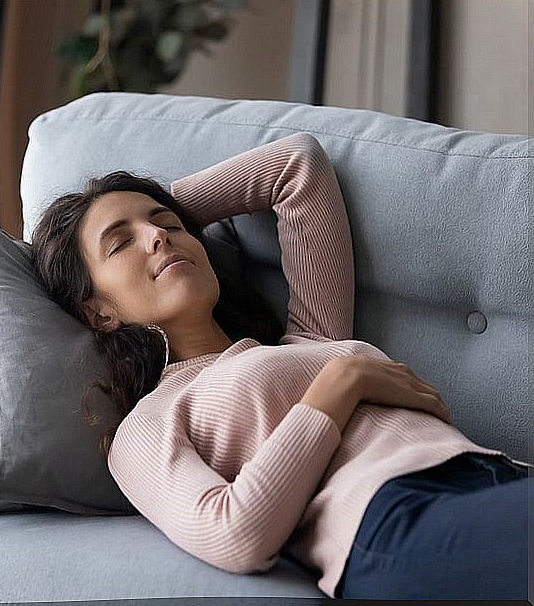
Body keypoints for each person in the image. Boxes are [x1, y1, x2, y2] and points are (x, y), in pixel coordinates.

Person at [28, 131, 530, 600]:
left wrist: (153, 205)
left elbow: (295, 165)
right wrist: (340, 385)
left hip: (491, 475)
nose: (159, 238)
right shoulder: (146, 426)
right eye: (121, 243)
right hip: (393, 520)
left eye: (170, 225)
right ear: (98, 311)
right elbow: (235, 534)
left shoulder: (310, 337)